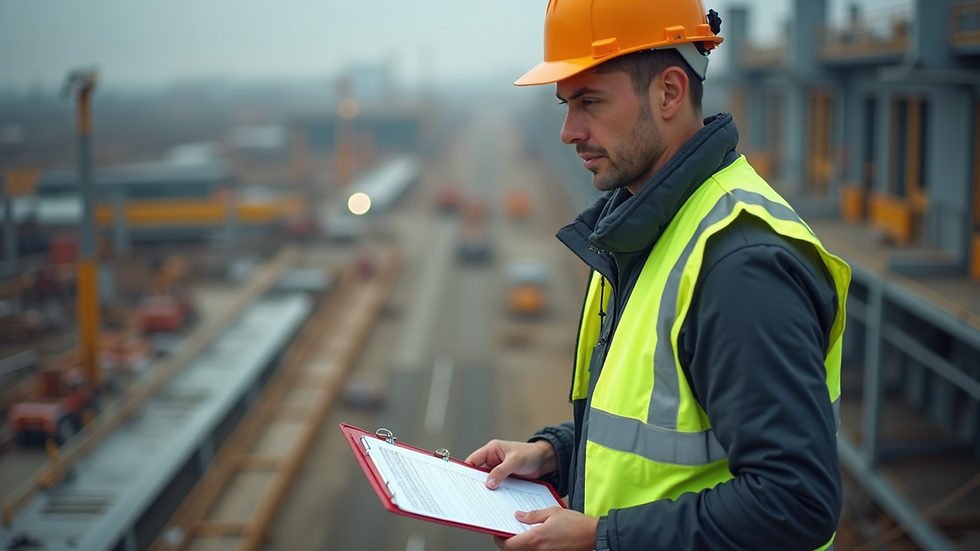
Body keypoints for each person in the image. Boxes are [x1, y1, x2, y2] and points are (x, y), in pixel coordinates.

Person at [465, 1, 851, 550]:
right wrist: (555, 453)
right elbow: (671, 435)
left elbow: (795, 500)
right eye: (565, 106)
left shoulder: (739, 264)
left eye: (590, 102)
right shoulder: (648, 232)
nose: (569, 132)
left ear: (669, 92)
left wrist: (601, 538)